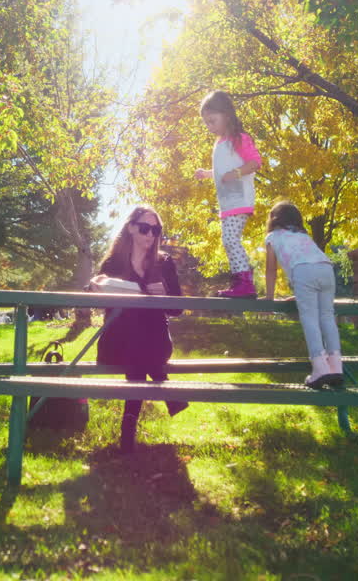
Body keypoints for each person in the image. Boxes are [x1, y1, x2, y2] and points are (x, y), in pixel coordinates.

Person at [90, 205, 189, 453]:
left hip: (154, 342)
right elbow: (92, 291)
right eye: (145, 228)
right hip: (118, 342)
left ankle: (128, 431)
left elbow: (177, 309)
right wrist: (95, 285)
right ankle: (166, 388)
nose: (150, 235)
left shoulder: (164, 263)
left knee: (140, 349)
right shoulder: (114, 262)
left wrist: (166, 295)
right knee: (136, 340)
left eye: (156, 230)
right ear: (131, 228)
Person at [263, 200, 344, 388]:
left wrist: (269, 298)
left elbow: (271, 271)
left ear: (274, 220)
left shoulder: (272, 237)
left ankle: (320, 368)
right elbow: (311, 262)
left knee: (309, 319)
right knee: (326, 317)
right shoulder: (304, 235)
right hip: (326, 268)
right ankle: (335, 367)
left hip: (303, 272)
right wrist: (301, 295)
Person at [194, 90, 262, 298]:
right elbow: (224, 170)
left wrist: (238, 173)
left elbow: (255, 162)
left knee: (231, 239)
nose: (210, 127)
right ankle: (239, 281)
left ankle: (245, 283)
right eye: (206, 123)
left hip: (239, 199)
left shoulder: (239, 139)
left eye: (213, 121)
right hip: (227, 203)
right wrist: (207, 174)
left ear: (227, 115)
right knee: (228, 240)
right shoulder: (220, 144)